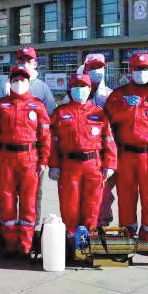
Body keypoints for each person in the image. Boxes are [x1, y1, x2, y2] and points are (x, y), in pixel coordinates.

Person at [104, 53, 148, 250]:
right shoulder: (118, 95)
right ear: (130, 70)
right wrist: (125, 108)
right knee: (126, 197)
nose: (141, 72)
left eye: (145, 68)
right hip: (125, 155)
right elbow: (107, 123)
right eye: (137, 68)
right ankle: (127, 236)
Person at [48, 74, 116, 259]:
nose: (80, 90)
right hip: (69, 166)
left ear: (90, 89)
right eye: (76, 86)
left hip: (93, 165)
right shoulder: (60, 113)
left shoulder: (99, 113)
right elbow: (52, 142)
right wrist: (53, 165)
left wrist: (110, 164)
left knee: (92, 206)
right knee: (69, 206)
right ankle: (72, 245)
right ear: (70, 90)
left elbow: (108, 139)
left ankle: (87, 246)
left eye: (84, 86)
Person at [0, 66, 51, 258]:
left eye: (22, 79)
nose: (19, 83)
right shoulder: (0, 106)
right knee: (7, 200)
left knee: (28, 201)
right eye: (15, 80)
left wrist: (43, 160)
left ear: (28, 82)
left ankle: (25, 245)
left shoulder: (37, 106)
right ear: (10, 82)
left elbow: (45, 136)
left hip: (29, 158)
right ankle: (9, 244)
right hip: (5, 158)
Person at [0, 46, 56, 232]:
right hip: (7, 153)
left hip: (31, 153)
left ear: (35, 63)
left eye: (29, 60)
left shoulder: (42, 87)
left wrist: (44, 157)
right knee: (6, 194)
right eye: (21, 60)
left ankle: (31, 230)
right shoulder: (5, 85)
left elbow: (49, 120)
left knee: (33, 194)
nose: (25, 63)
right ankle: (6, 231)